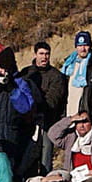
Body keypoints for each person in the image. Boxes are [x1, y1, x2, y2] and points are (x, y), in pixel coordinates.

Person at [21, 42, 68, 174]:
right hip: (27, 124)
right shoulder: (25, 73)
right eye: (41, 54)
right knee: (27, 159)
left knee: (45, 159)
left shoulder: (56, 76)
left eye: (47, 54)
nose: (44, 57)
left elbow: (53, 101)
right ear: (35, 54)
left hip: (47, 123)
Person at [46, 111, 92, 182]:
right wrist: (70, 119)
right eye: (78, 122)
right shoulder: (71, 137)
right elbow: (52, 134)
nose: (81, 125)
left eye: (85, 122)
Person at [61, 31, 92, 125]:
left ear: (90, 46)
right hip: (69, 117)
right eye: (79, 45)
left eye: (85, 45)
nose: (82, 49)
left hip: (86, 121)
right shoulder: (68, 65)